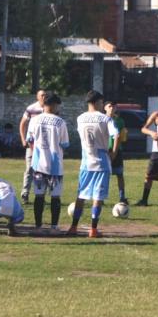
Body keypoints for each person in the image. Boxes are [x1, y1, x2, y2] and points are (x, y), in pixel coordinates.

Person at [68, 91, 113, 238]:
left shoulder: (80, 118)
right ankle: (93, 229)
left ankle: (73, 227)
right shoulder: (105, 119)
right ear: (98, 102)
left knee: (81, 195)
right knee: (97, 197)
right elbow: (116, 134)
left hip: (86, 162)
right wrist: (114, 152)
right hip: (101, 162)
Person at [27, 92, 69, 232]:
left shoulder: (34, 120)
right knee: (55, 197)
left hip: (38, 164)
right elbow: (64, 144)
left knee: (39, 196)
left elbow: (30, 140)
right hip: (55, 166)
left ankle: (38, 226)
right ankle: (54, 226)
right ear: (54, 105)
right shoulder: (60, 122)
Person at [18, 89, 47, 204]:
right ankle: (25, 193)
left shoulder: (49, 109)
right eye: (42, 95)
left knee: (43, 170)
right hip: (32, 144)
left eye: (45, 95)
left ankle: (40, 195)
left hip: (44, 145)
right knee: (30, 168)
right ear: (37, 97)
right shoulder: (31, 108)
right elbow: (22, 124)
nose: (44, 97)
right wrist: (23, 139)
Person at [104, 101, 128, 204]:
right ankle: (101, 197)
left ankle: (122, 197)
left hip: (117, 150)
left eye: (114, 106)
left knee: (119, 174)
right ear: (105, 108)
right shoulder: (101, 120)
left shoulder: (120, 121)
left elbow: (122, 137)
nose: (112, 108)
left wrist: (124, 135)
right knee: (104, 175)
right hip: (105, 150)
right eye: (109, 106)